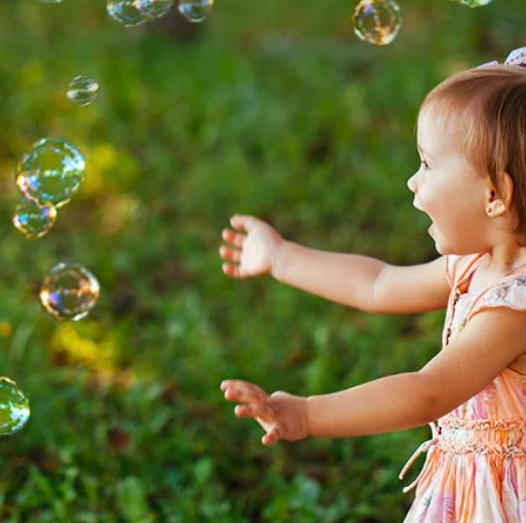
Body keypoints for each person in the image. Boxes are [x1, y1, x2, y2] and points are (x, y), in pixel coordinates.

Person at [219, 47, 526, 523]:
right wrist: (281, 257)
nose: (412, 182)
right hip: (471, 485)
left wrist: (307, 414)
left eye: (427, 164)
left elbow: (429, 392)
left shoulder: (514, 305)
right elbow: (378, 284)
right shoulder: (476, 262)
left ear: (495, 195)